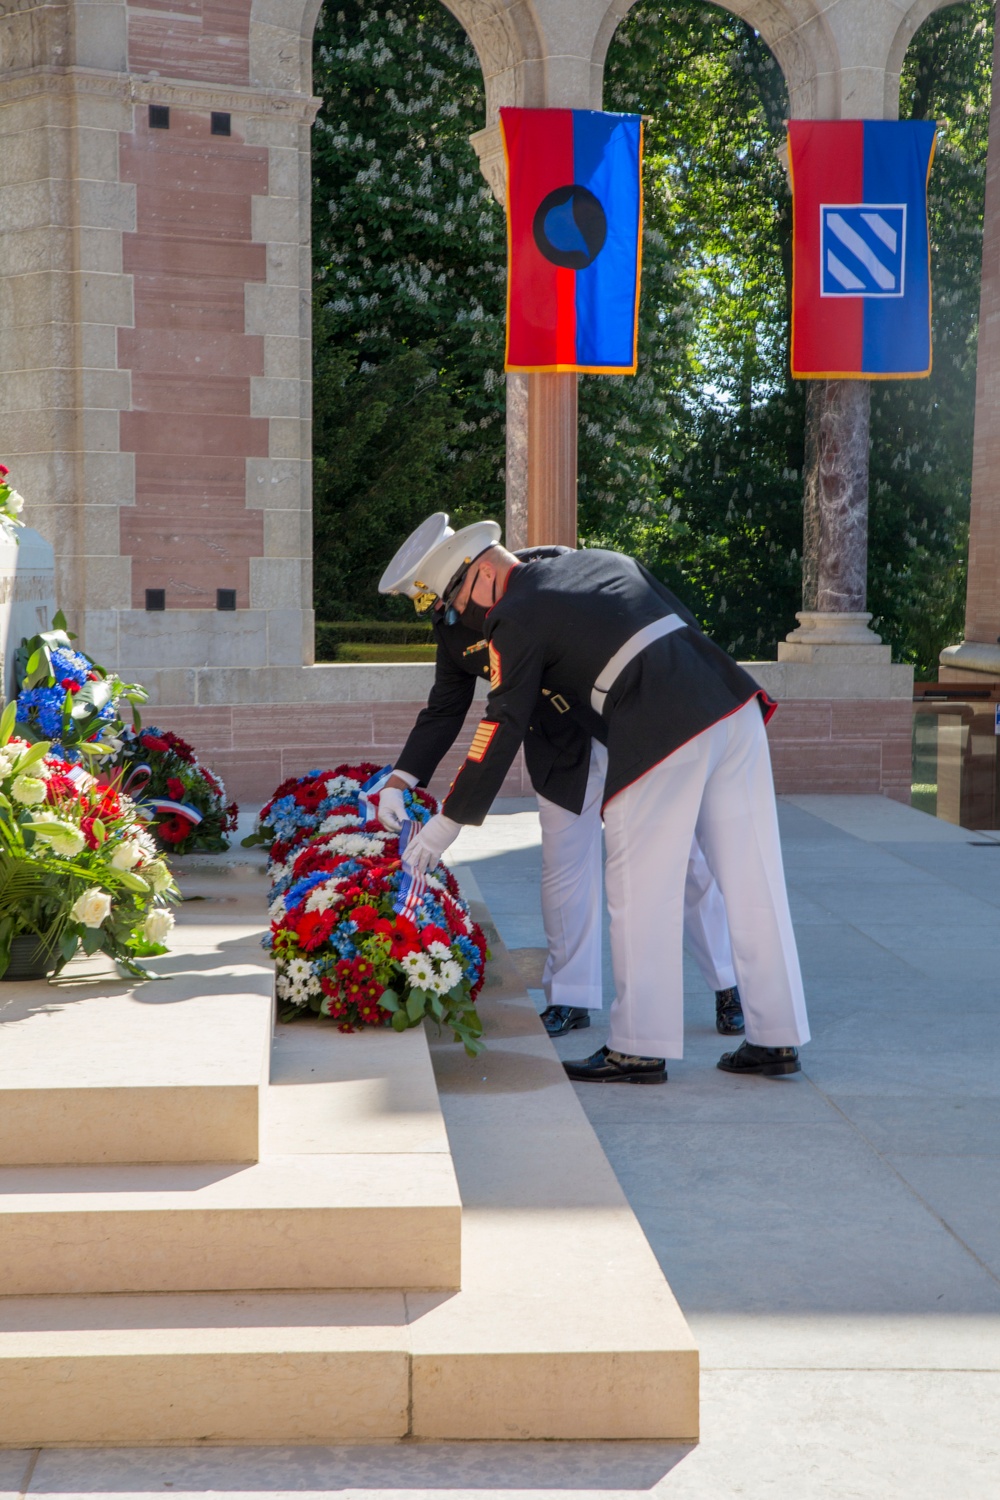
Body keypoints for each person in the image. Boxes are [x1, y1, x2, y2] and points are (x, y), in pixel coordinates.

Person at [387, 520, 809, 1085]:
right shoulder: (603, 559)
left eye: (461, 600)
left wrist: (448, 822)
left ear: (484, 572)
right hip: (732, 707)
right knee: (758, 881)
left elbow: (503, 721)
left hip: (658, 729)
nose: (463, 617)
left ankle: (638, 1047)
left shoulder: (513, 612)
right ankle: (777, 1038)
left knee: (639, 890)